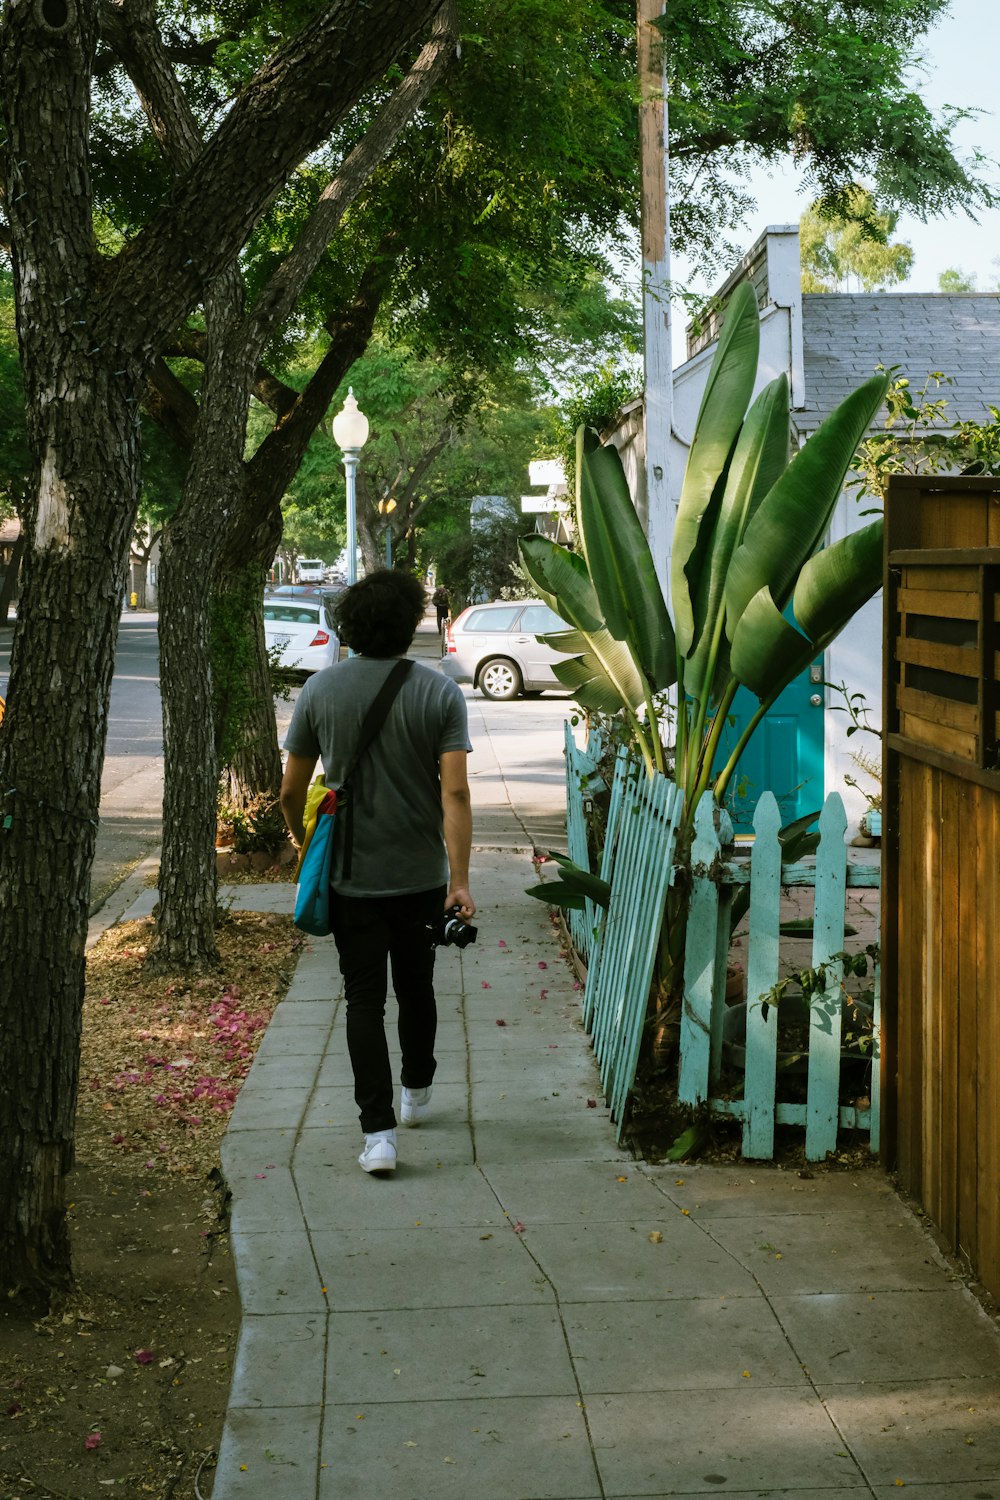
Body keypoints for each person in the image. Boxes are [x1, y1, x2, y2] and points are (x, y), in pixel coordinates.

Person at [279, 569, 475, 1175]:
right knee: (417, 987)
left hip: (349, 876)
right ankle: (417, 1091)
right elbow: (457, 795)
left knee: (363, 998)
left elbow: (290, 789)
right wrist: (460, 881)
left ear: (351, 625)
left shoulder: (321, 690)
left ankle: (378, 1136)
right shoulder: (440, 693)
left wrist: (303, 841)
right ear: (411, 622)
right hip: (420, 876)